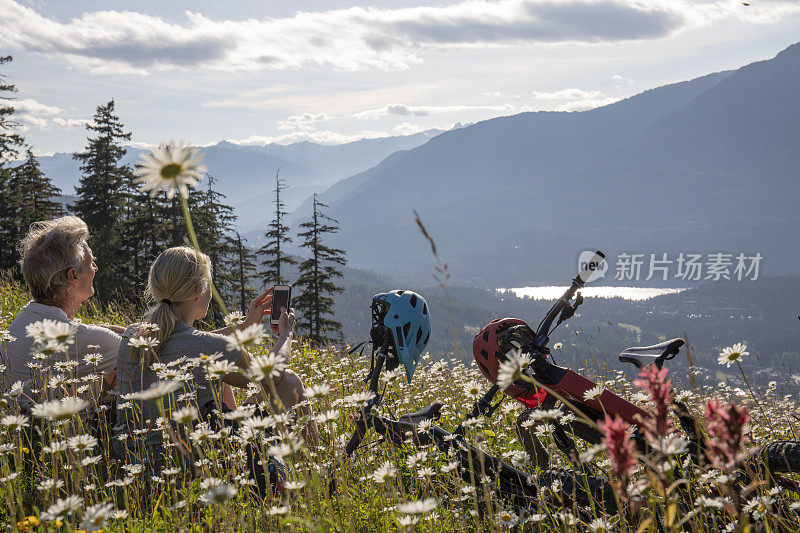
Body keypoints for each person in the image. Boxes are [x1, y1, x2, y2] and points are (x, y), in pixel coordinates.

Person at [114, 246, 306, 492]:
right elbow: (271, 376)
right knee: (289, 381)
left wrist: (245, 325)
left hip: (135, 466)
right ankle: (312, 476)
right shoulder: (209, 346)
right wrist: (286, 334)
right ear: (197, 290)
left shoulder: (133, 334)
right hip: (191, 470)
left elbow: (190, 342)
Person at [4, 216, 123, 410]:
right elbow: (145, 349)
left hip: (22, 434)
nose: (95, 268)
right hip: (67, 436)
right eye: (91, 262)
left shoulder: (19, 323)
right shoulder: (85, 340)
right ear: (72, 276)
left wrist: (105, 328)